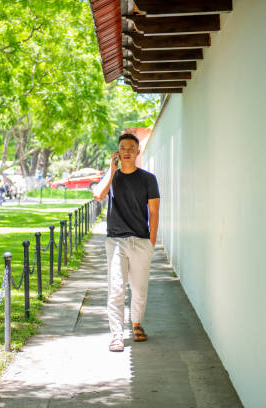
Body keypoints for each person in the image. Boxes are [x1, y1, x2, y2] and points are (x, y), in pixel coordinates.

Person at [93, 133, 160, 352]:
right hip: (116, 242)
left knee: (139, 288)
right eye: (123, 148)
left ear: (138, 152)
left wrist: (150, 242)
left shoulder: (148, 179)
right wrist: (112, 172)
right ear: (118, 152)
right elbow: (97, 196)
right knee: (116, 288)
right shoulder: (112, 177)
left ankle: (137, 323)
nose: (127, 151)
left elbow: (153, 211)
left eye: (132, 148)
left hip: (140, 241)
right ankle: (116, 334)